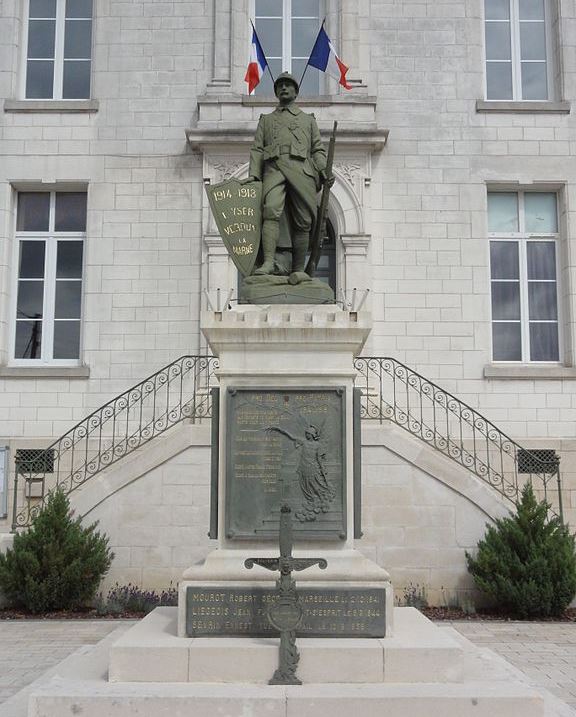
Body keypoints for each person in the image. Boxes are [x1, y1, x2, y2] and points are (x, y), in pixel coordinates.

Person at [247, 72, 331, 276]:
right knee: (270, 211)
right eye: (280, 85)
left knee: (304, 220)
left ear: (296, 91)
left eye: (288, 85)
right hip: (274, 169)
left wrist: (323, 169)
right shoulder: (266, 120)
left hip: (302, 170)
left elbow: (318, 149)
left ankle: (298, 270)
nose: (284, 88)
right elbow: (257, 149)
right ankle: (268, 263)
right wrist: (254, 174)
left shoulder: (308, 120)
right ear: (276, 92)